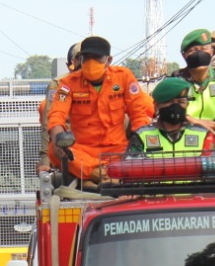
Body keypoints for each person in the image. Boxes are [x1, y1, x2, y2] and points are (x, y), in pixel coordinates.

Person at [46, 35, 154, 185]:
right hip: (82, 151)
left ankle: (98, 178)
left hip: (118, 151)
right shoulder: (67, 84)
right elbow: (57, 114)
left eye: (97, 58)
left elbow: (138, 113)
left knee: (148, 149)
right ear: (80, 60)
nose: (91, 63)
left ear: (109, 60)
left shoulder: (124, 77)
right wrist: (59, 140)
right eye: (86, 58)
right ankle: (98, 174)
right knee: (53, 149)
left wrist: (138, 144)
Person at [126, 77, 215, 157]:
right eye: (169, 102)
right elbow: (131, 169)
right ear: (156, 105)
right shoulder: (142, 135)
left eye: (181, 102)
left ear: (187, 104)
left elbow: (212, 169)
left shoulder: (203, 135)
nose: (175, 106)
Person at [39, 41, 84, 172]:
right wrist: (45, 159)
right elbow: (51, 119)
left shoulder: (112, 83)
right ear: (74, 62)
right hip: (72, 147)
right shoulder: (63, 86)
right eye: (83, 58)